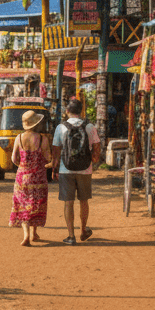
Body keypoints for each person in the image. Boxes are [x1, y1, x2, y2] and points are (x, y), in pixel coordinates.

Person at [51, 98, 101, 245]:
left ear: (67, 111)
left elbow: (56, 151)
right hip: (85, 169)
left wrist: (54, 169)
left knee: (68, 203)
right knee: (84, 201)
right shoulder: (90, 127)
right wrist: (94, 160)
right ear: (82, 111)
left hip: (65, 169)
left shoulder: (61, 127)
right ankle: (83, 230)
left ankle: (71, 236)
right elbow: (97, 147)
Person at [8, 109, 51, 246]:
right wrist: (46, 165)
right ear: (36, 124)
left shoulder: (19, 138)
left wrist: (22, 166)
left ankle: (27, 234)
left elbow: (14, 158)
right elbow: (48, 158)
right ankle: (33, 233)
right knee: (36, 204)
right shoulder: (43, 139)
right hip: (38, 177)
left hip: (22, 177)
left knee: (23, 204)